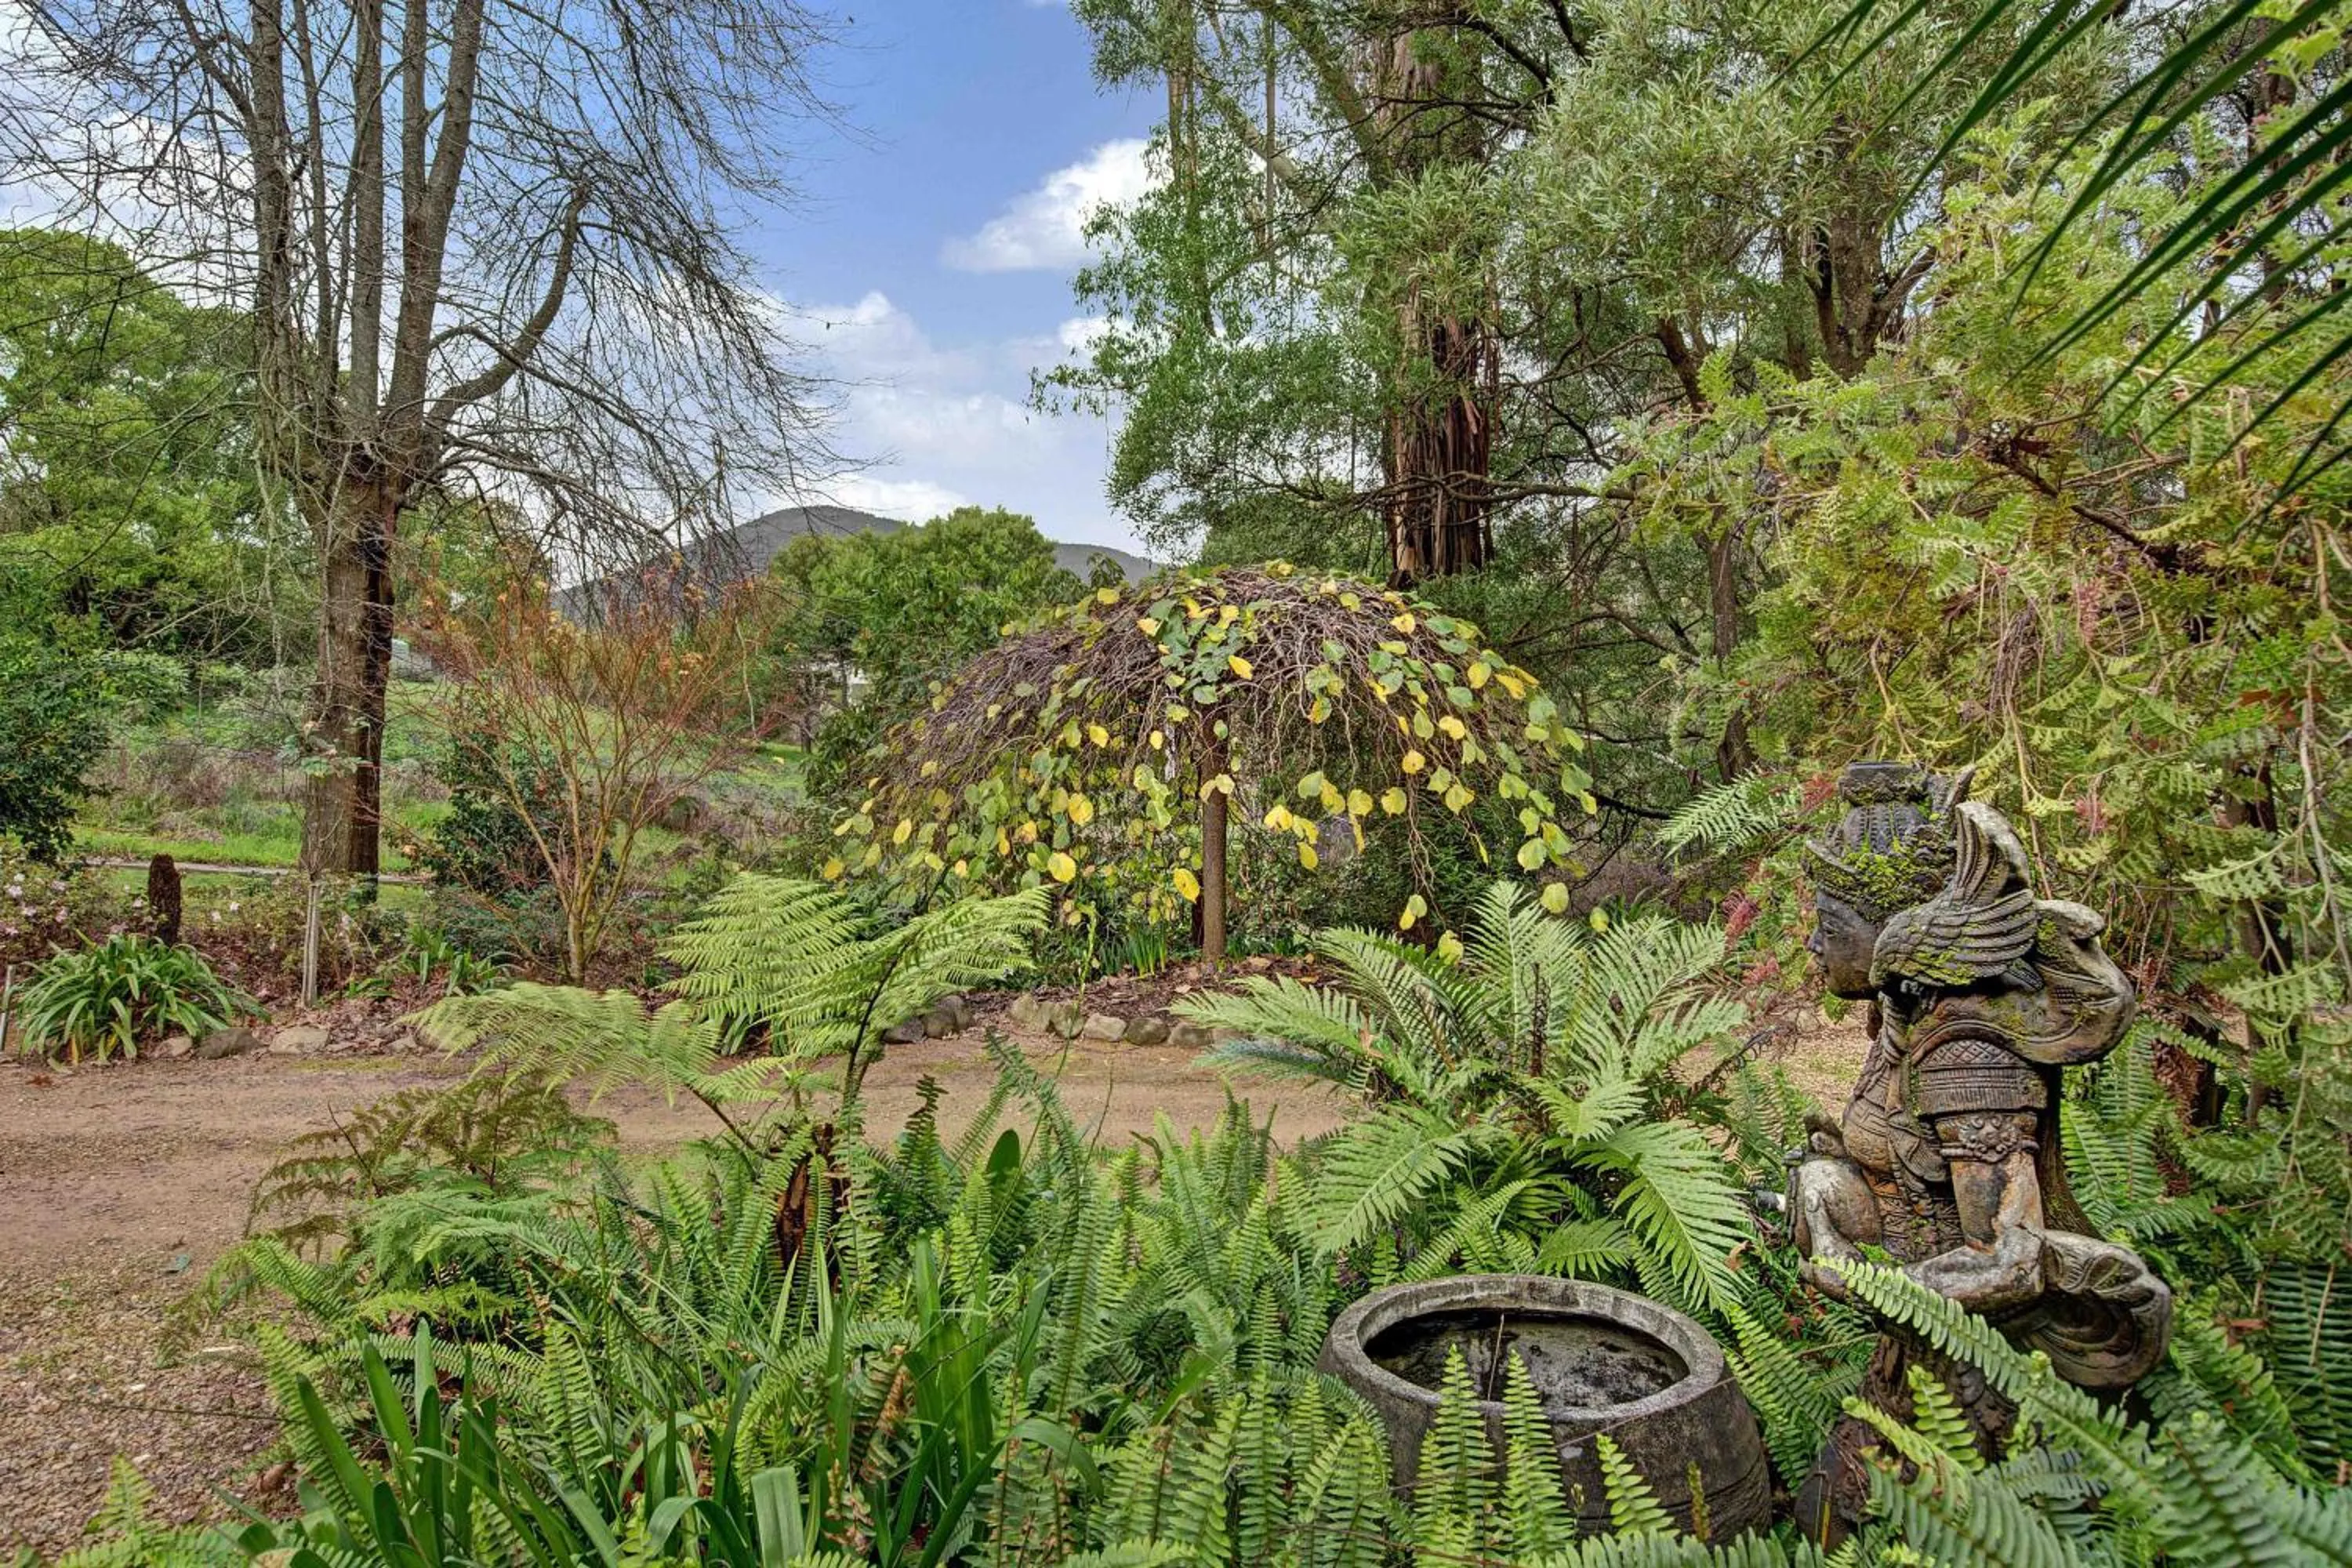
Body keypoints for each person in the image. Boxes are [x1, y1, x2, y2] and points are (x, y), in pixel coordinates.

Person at [1788, 761, 2170, 1544]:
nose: (1813, 941)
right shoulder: (1903, 1018)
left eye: (1830, 922)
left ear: (1892, 929)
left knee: (1920, 1530)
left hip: (1979, 1378)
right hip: (1918, 1352)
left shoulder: (1966, 1054)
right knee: (1835, 1513)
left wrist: (1872, 1283)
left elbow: (2011, 1258)